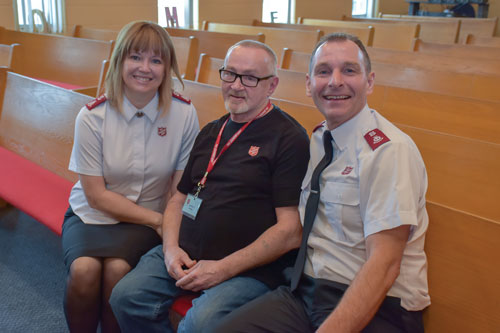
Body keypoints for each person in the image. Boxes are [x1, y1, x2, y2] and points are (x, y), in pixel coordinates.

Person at [214, 33, 430, 333]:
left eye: (349, 70)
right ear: (308, 84)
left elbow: (385, 265)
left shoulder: (388, 151)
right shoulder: (318, 139)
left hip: (379, 304)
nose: (334, 81)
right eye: (324, 71)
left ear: (369, 81)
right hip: (309, 290)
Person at [109, 40, 310, 333]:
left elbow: (291, 231)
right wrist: (170, 250)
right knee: (126, 297)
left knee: (200, 325)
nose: (237, 86)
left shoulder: (289, 138)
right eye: (229, 74)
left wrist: (223, 268)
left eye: (251, 78)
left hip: (248, 269)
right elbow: (178, 198)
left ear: (272, 85)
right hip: (186, 252)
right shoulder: (212, 131)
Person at [62, 20, 199, 333]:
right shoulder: (92, 116)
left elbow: (179, 188)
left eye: (156, 60)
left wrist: (167, 224)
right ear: (119, 61)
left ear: (167, 68)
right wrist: (157, 222)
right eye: (135, 57)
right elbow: (95, 195)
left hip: (150, 215)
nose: (145, 68)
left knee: (117, 272)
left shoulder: (183, 114)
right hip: (93, 214)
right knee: (83, 271)